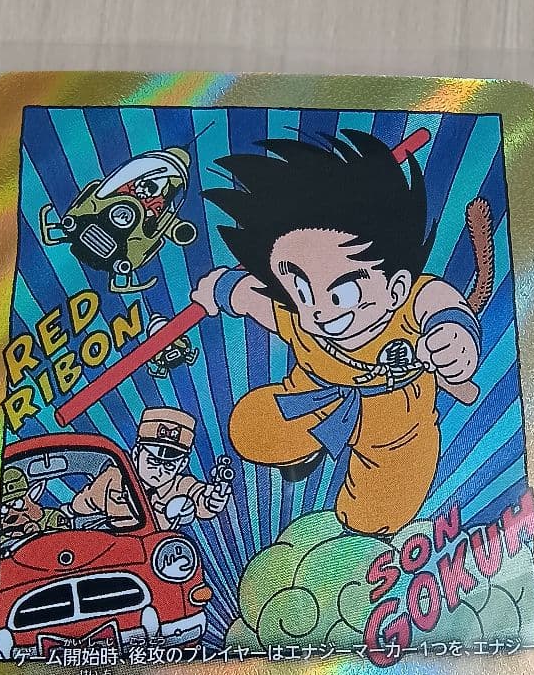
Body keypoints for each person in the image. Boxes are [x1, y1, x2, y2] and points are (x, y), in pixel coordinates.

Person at [192, 130, 482, 536]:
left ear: (395, 287)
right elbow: (253, 298)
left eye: (341, 291)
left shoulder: (408, 301)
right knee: (250, 431)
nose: (319, 310)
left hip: (396, 426)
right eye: (301, 290)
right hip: (311, 398)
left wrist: (454, 337)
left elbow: (438, 302)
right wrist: (223, 289)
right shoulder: (298, 315)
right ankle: (304, 452)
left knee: (374, 516)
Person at [71, 407, 231, 531]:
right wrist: (68, 514)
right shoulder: (114, 478)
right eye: (152, 461)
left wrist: (212, 500)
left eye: (169, 465)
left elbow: (200, 498)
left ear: (182, 464)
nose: (159, 471)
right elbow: (83, 504)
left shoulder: (181, 486)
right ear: (136, 454)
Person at [0, 466, 70, 548]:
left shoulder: (51, 516)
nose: (12, 512)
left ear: (29, 498)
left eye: (17, 503)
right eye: (5, 508)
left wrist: (38, 533)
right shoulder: (1, 532)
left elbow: (65, 539)